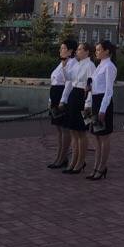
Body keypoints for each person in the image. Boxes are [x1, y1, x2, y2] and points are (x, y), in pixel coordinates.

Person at [58, 42, 95, 174]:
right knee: (73, 130)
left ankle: (81, 161)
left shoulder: (90, 65)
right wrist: (64, 65)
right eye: (77, 49)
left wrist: (88, 104)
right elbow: (68, 78)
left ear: (86, 52)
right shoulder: (76, 64)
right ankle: (73, 160)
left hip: (83, 98)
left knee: (82, 131)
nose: (77, 52)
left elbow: (91, 86)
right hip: (74, 95)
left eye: (80, 50)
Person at [86, 40, 117, 181]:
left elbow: (109, 91)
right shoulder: (99, 66)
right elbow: (96, 86)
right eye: (96, 50)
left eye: (99, 50)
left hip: (103, 103)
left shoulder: (109, 67)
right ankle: (96, 166)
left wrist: (103, 110)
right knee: (96, 136)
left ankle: (102, 167)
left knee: (103, 137)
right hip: (96, 101)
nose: (96, 52)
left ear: (107, 51)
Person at [47, 38, 77, 169]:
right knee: (59, 129)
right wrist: (50, 100)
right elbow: (54, 81)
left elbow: (68, 83)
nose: (61, 50)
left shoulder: (72, 63)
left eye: (63, 48)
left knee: (65, 129)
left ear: (70, 51)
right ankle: (60, 156)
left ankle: (63, 156)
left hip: (62, 97)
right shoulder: (62, 63)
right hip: (55, 96)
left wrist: (62, 100)